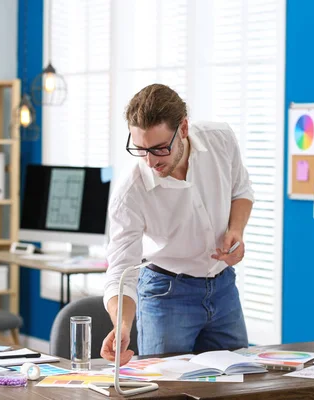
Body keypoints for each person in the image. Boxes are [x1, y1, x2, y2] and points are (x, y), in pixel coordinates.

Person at [100, 83, 254, 365]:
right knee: (166, 388)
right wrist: (123, 324)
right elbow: (121, 268)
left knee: (237, 384)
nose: (149, 161)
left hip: (224, 289)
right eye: (140, 149)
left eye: (159, 149)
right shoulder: (130, 191)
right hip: (166, 294)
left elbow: (241, 191)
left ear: (183, 128)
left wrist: (236, 231)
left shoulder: (220, 139)